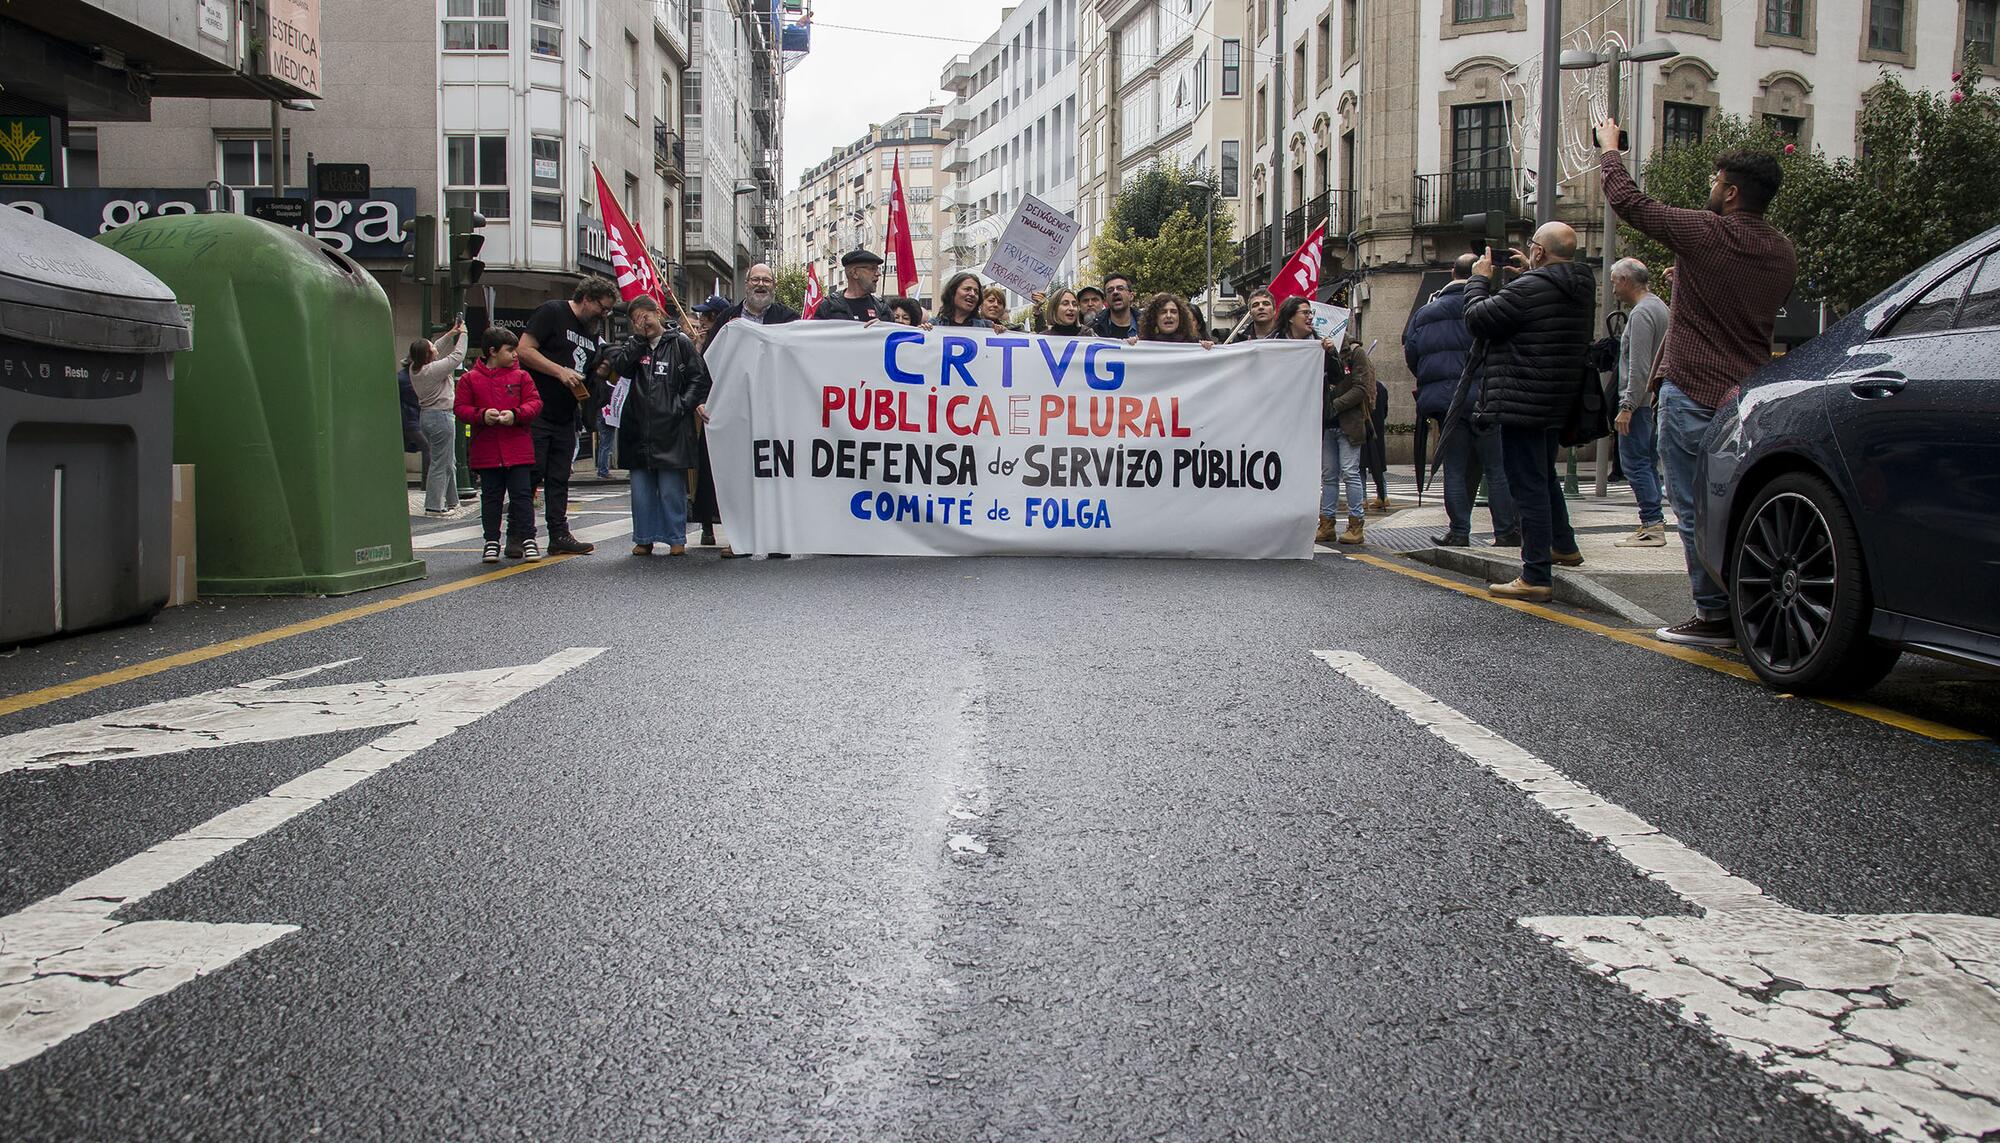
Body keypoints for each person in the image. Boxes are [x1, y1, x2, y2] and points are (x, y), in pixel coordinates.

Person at [1596, 118, 1796, 646]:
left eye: (1714, 180)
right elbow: (1733, 296)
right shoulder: (1781, 251)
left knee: (1689, 507)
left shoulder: (1709, 232)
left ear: (1730, 193)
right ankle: (1748, 608)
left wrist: (1611, 151)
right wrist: (1685, 278)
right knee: (1740, 509)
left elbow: (1631, 203)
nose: (1710, 187)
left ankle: (1712, 617)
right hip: (1746, 397)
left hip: (1691, 391)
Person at [1461, 222, 1597, 602]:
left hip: (1522, 397)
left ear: (1538, 252)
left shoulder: (1529, 288)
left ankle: (1535, 573)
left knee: (1528, 484)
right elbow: (1538, 307)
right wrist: (1530, 275)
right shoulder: (1582, 286)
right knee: (1544, 475)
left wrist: (1479, 280)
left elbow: (1477, 319)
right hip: (1556, 398)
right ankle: (1563, 545)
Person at [1406, 255, 1518, 547]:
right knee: (1496, 468)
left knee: (1454, 468)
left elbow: (1413, 355)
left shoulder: (1426, 313)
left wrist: (1435, 380)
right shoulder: (1490, 307)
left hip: (1449, 402)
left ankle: (1458, 531)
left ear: (1451, 271)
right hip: (1487, 398)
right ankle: (1505, 532)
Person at [598, 296, 712, 558]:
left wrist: (681, 405)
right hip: (638, 429)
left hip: (671, 428)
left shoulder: (680, 344)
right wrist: (637, 341)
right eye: (636, 319)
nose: (643, 322)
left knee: (672, 489)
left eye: (645, 316)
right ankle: (644, 538)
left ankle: (675, 537)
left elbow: (698, 379)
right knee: (641, 491)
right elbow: (622, 370)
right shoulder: (633, 346)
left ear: (657, 313)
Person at [518, 277, 617, 556]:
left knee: (559, 477)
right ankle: (520, 534)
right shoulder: (553, 312)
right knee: (531, 474)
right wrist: (559, 371)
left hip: (565, 413)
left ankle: (558, 534)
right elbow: (524, 350)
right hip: (538, 409)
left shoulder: (589, 332)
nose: (604, 314)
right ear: (586, 298)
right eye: (603, 307)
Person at [1275, 297, 1369, 545]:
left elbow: (1360, 387)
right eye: (1304, 313)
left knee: (1350, 472)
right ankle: (1326, 523)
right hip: (1324, 424)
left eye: (1311, 313)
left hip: (1347, 423)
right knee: (1328, 475)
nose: (1310, 318)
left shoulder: (1351, 352)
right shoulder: (1293, 344)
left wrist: (1333, 405)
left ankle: (1355, 523)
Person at [454, 326, 543, 564]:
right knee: (492, 497)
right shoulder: (470, 379)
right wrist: (482, 415)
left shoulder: (522, 377)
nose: (515, 355)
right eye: (510, 350)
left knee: (522, 497)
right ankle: (491, 541)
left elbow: (535, 403)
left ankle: (528, 539)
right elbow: (460, 408)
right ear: (493, 351)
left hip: (516, 448)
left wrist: (516, 414)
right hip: (489, 449)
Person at [1610, 257, 1671, 549]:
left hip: (1640, 404)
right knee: (1646, 463)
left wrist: (1627, 406)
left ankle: (1651, 524)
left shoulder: (1641, 313)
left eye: (1613, 282)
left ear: (1625, 280)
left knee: (1635, 464)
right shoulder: (1660, 307)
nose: (1612, 290)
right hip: (1652, 402)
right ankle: (1652, 521)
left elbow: (1639, 365)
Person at [407, 319, 468, 514]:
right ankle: (433, 506)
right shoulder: (433, 370)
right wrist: (464, 334)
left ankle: (452, 501)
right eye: (432, 347)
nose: (435, 347)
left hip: (428, 417)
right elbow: (457, 356)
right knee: (440, 464)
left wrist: (451, 334)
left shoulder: (415, 368)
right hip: (441, 417)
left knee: (447, 461)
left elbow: (436, 348)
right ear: (428, 355)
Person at [719, 264, 800, 331]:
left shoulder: (789, 318)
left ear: (774, 286)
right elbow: (713, 348)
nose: (761, 284)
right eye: (755, 279)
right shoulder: (725, 318)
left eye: (766, 280)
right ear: (746, 285)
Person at [813, 249, 886, 322]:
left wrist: (882, 327)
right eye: (872, 269)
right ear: (855, 273)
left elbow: (894, 331)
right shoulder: (829, 307)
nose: (878, 273)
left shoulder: (882, 308)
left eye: (878, 269)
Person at [1131, 292, 1213, 348]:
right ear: (1154, 318)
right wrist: (1129, 347)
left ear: (1180, 317)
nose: (1169, 316)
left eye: (1173, 312)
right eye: (1163, 312)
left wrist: (1209, 350)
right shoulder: (1143, 345)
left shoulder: (1194, 344)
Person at [1090, 273, 1141, 339]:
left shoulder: (1148, 326)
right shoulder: (1094, 329)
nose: (1115, 292)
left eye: (1120, 288)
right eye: (1110, 290)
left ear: (1131, 296)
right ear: (1105, 300)